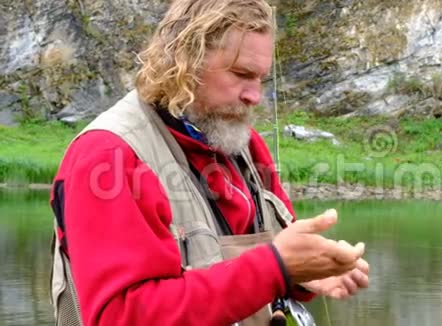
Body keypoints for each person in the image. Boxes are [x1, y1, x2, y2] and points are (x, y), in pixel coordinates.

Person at [48, 0, 370, 325]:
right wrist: (275, 268)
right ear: (186, 59)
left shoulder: (242, 143)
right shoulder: (108, 156)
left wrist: (305, 272)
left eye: (261, 79)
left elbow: (263, 266)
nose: (254, 96)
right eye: (242, 74)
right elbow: (120, 317)